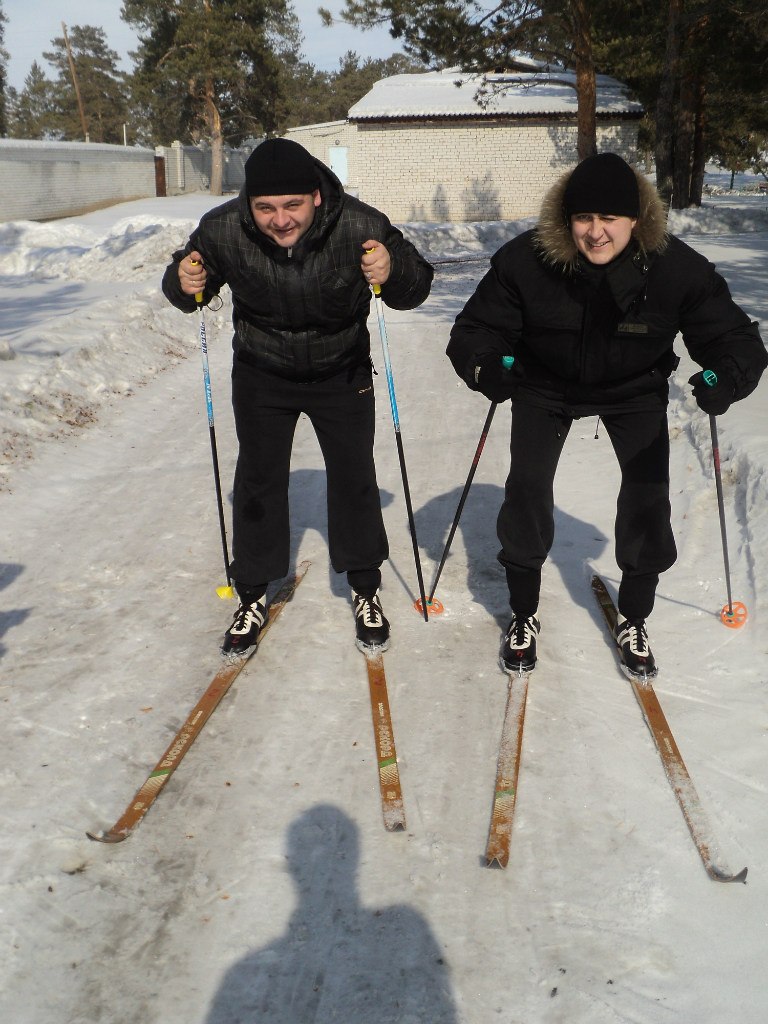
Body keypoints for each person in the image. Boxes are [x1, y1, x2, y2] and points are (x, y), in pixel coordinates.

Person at [447, 152, 766, 678]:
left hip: (634, 389)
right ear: (566, 219)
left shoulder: (674, 268)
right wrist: (488, 367)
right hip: (544, 385)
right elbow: (476, 330)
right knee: (527, 486)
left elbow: (734, 338)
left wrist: (723, 377)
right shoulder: (527, 261)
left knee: (646, 494)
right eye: (583, 218)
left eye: (609, 219)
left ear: (635, 220)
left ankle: (635, 616)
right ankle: (523, 611)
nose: (596, 233)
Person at [162, 138, 433, 655]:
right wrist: (183, 280)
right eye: (265, 207)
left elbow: (416, 286)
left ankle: (365, 586)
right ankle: (251, 592)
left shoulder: (360, 225)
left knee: (354, 474)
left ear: (316, 197)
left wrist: (392, 273)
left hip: (340, 369)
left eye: (291, 206)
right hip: (263, 371)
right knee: (259, 478)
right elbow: (185, 286)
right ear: (249, 204)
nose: (279, 220)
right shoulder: (223, 228)